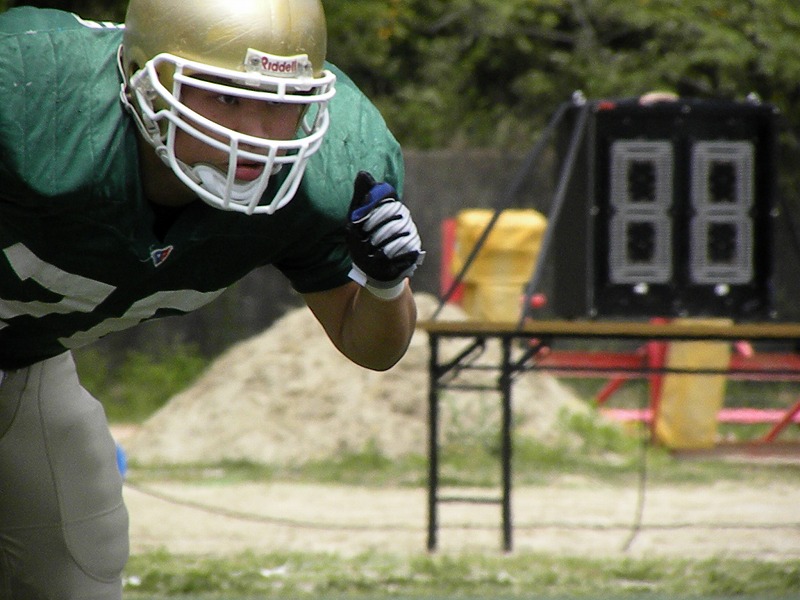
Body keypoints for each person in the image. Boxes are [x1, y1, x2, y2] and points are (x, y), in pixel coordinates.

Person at [0, 0, 424, 597]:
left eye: (280, 102)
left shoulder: (331, 169)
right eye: (226, 97)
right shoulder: (28, 91)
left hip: (25, 355)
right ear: (143, 80)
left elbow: (372, 347)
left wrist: (385, 282)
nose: (256, 135)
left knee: (79, 563)